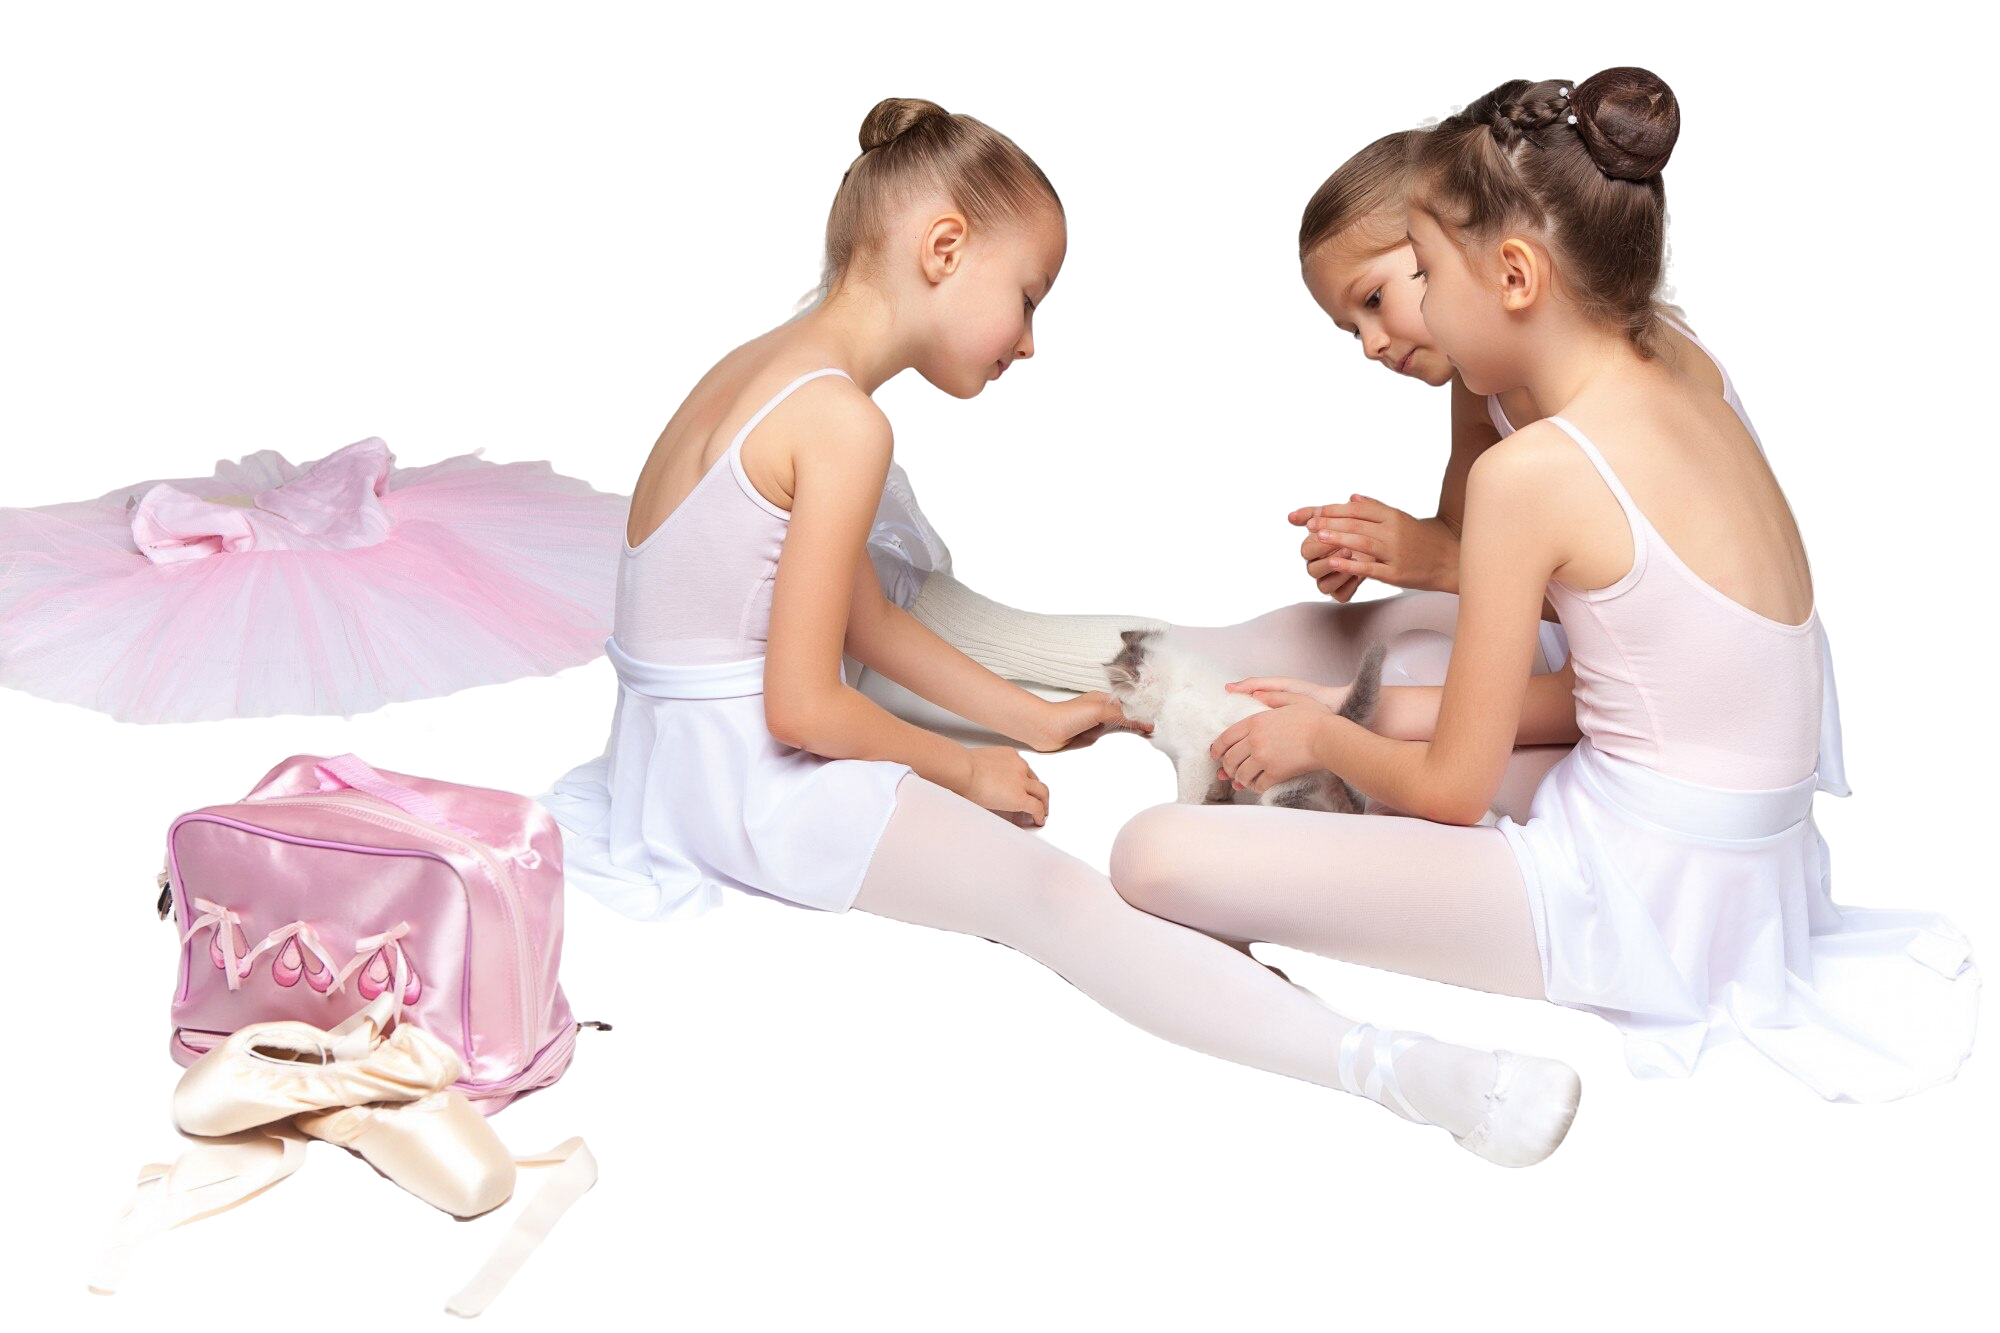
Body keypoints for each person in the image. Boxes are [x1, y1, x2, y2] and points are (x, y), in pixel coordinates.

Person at [536, 90, 1592, 1178]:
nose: (1032, 342)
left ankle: (1346, 1001)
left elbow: (864, 619)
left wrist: (1026, 718)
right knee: (1050, 895)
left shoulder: (766, 365)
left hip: (671, 758)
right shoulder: (837, 420)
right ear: (943, 250)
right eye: (1029, 297)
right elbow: (802, 704)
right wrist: (965, 768)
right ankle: (1407, 1072)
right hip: (741, 783)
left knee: (1084, 842)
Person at [1103, 68, 1994, 1119]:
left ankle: (1396, 1058)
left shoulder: (1532, 476)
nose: (1411, 323)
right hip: (1748, 861)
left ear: (1515, 275)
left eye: (1424, 271)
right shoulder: (1684, 363)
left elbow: (1451, 788)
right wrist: (1364, 708)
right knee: (1393, 682)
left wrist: (1326, 737)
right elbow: (1653, 683)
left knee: (1146, 853)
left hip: (1648, 900)